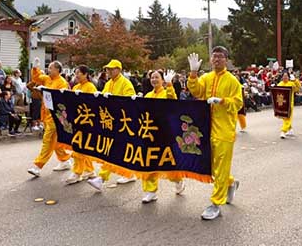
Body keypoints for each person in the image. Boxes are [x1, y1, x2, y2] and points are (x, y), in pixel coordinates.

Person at [187, 46, 243, 220]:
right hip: (206, 128)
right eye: (214, 56)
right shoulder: (206, 78)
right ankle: (230, 182)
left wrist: (222, 101)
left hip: (225, 131)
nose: (217, 59)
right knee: (212, 167)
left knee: (221, 167)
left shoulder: (232, 81)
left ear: (226, 60)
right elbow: (196, 91)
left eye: (220, 57)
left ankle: (216, 203)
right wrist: (193, 74)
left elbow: (238, 103)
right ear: (211, 60)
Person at [87, 59, 136, 191]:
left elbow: (131, 101)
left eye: (111, 69)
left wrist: (114, 100)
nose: (108, 71)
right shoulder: (108, 83)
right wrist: (99, 97)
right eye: (107, 69)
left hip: (123, 123)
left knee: (112, 150)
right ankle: (129, 174)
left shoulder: (126, 83)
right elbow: (104, 100)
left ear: (118, 70)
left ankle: (101, 178)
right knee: (117, 150)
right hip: (111, 122)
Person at [140, 69, 185, 203]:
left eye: (156, 77)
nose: (154, 80)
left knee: (167, 162)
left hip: (165, 133)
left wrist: (170, 84)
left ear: (162, 80)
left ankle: (178, 180)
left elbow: (173, 101)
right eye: (152, 77)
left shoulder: (166, 93)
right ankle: (150, 191)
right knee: (148, 161)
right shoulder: (147, 95)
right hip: (150, 134)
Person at [27, 58, 72, 177]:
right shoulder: (47, 78)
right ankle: (65, 160)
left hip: (56, 115)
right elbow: (36, 78)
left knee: (47, 139)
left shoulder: (62, 82)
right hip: (46, 113)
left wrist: (46, 90)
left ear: (57, 70)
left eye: (51, 68)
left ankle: (38, 165)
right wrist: (36, 67)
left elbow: (60, 98)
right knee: (55, 140)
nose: (48, 69)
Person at [64, 65, 97, 185]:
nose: (76, 75)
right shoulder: (76, 86)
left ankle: (77, 172)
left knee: (79, 146)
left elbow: (93, 104)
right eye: (75, 73)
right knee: (81, 147)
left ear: (85, 74)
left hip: (86, 122)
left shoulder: (90, 87)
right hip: (76, 121)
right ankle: (89, 170)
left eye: (79, 73)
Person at [277, 72, 298, 139]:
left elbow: (298, 89)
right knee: (284, 118)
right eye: (284, 76)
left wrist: (295, 81)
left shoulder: (291, 84)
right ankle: (290, 129)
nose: (285, 77)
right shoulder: (279, 84)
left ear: (289, 77)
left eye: (286, 76)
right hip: (282, 104)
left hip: (289, 104)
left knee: (288, 117)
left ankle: (283, 131)